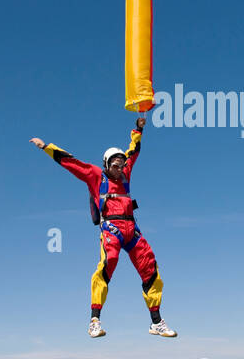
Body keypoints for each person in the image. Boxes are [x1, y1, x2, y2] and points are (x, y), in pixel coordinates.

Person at [29, 116, 176, 339]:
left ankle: (156, 322)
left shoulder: (126, 174)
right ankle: (94, 321)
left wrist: (138, 128)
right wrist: (46, 147)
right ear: (107, 164)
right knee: (108, 264)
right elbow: (71, 162)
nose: (120, 169)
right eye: (115, 165)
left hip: (132, 230)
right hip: (111, 230)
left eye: (122, 165)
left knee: (151, 269)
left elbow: (134, 151)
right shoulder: (95, 176)